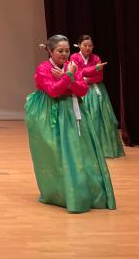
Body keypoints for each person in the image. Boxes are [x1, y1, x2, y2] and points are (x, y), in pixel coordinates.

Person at [25, 34, 116, 213]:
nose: (65, 54)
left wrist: (68, 78)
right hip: (50, 113)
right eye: (60, 51)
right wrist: (68, 77)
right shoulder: (44, 68)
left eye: (67, 50)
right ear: (50, 51)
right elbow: (53, 91)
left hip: (74, 113)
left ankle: (82, 191)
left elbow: (83, 90)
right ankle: (59, 192)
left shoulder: (71, 66)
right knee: (57, 154)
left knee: (79, 152)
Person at [70, 35, 124, 158]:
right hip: (81, 89)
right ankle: (85, 151)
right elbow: (77, 73)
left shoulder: (96, 58)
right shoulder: (74, 57)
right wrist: (93, 69)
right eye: (85, 45)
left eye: (90, 45)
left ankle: (103, 149)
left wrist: (86, 77)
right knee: (82, 119)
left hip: (96, 90)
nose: (88, 48)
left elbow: (99, 77)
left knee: (101, 118)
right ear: (79, 45)